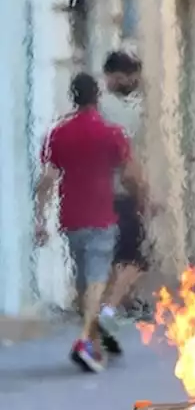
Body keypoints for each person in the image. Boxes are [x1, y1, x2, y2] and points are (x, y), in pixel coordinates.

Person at [35, 73, 146, 372]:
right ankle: (85, 339)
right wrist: (141, 198)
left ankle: (93, 343)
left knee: (85, 279)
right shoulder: (112, 133)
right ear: (97, 97)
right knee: (97, 278)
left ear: (73, 96)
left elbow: (46, 179)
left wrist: (39, 219)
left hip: (69, 216)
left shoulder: (57, 133)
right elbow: (129, 175)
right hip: (101, 214)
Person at [97, 51, 146, 353]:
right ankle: (110, 311)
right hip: (121, 193)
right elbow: (128, 160)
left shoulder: (98, 108)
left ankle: (111, 314)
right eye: (130, 76)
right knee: (137, 260)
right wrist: (144, 194)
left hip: (98, 194)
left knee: (114, 260)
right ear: (116, 76)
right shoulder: (122, 111)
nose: (134, 82)